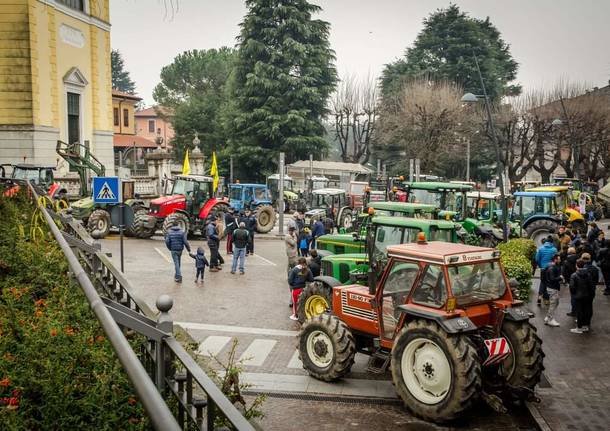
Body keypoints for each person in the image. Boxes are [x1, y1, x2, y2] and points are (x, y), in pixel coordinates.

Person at [570, 259, 591, 334]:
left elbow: (572, 287)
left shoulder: (574, 275)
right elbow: (590, 285)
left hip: (578, 296)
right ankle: (585, 326)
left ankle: (579, 328)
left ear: (576, 265)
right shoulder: (588, 274)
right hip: (586, 295)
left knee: (579, 312)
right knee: (585, 311)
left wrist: (574, 294)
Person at [535, 238, 558, 306]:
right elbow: (556, 260)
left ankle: (539, 296)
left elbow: (537, 259)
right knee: (548, 283)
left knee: (542, 282)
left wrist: (540, 265)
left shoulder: (540, 248)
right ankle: (546, 299)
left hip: (543, 268)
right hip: (551, 269)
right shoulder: (554, 249)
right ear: (552, 242)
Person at [544, 254, 562, 327]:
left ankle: (548, 317)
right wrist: (560, 277)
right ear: (555, 260)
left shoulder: (550, 266)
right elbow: (552, 279)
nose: (560, 260)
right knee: (553, 303)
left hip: (552, 288)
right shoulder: (552, 268)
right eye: (559, 259)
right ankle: (550, 320)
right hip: (552, 288)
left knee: (556, 302)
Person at [582, 252, 599, 329]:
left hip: (583, 290)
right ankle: (588, 321)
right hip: (592, 290)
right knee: (589, 306)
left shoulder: (582, 269)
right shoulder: (595, 269)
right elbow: (596, 281)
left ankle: (583, 322)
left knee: (582, 306)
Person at [562, 247, 578, 316]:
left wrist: (565, 280)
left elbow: (564, 272)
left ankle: (574, 311)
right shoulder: (578, 259)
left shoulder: (566, 261)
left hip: (570, 280)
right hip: (579, 279)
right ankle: (579, 310)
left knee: (573, 296)